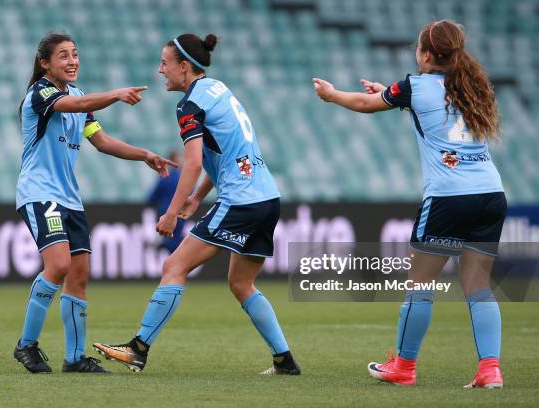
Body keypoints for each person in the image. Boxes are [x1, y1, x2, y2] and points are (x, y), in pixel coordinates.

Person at [94, 33, 301, 375]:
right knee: (241, 284)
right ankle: (285, 361)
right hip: (267, 198)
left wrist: (172, 212)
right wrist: (196, 198)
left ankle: (138, 349)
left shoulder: (189, 105)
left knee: (173, 266)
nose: (160, 70)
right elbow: (219, 154)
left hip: (240, 201)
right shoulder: (219, 89)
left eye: (165, 63)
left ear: (184, 66)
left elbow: (191, 163)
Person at [313, 20, 506, 388]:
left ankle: (403, 366)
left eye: (418, 50)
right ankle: (489, 370)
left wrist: (332, 94)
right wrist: (392, 93)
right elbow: (439, 112)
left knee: (420, 284)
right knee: (479, 286)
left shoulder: (415, 85)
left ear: (428, 54)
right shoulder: (473, 85)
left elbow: (367, 104)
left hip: (449, 197)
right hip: (491, 194)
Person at [14, 32, 177, 374]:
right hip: (40, 193)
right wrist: (115, 94)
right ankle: (26, 345)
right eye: (63, 56)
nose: (72, 61)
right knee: (57, 265)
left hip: (70, 199)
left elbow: (101, 142)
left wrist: (144, 154)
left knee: (79, 275)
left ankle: (74, 359)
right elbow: (75, 106)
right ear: (45, 63)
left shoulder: (78, 95)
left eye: (75, 54)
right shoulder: (41, 93)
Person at [147, 150, 185, 253]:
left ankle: (161, 246)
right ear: (175, 160)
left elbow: (151, 197)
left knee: (168, 238)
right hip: (178, 214)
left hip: (163, 213)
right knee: (176, 242)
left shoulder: (164, 176)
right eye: (180, 158)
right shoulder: (183, 178)